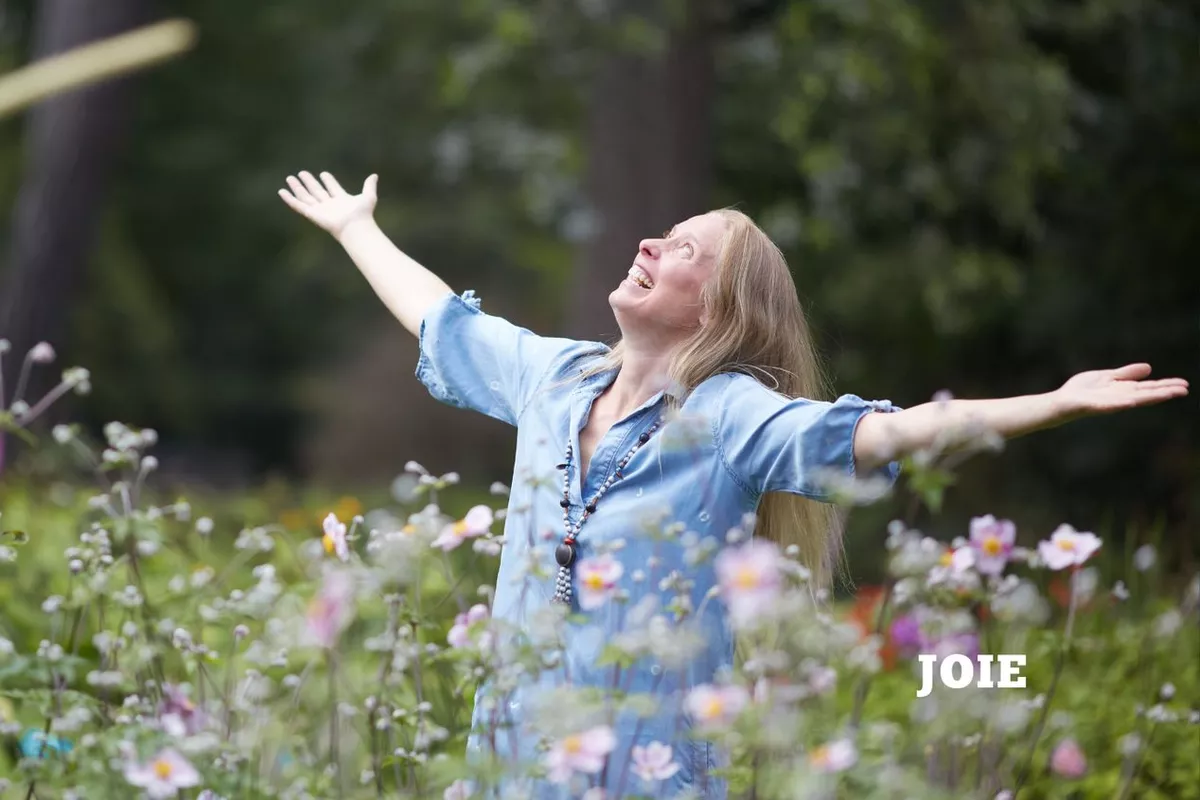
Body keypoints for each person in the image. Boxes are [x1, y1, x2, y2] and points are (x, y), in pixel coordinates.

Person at [279, 170, 1188, 798]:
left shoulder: (733, 416)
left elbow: (895, 431)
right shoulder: (553, 378)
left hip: (649, 762)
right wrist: (358, 228)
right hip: (513, 750)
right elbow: (437, 316)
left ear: (714, 307)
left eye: (680, 247)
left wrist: (1056, 404)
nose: (646, 242)